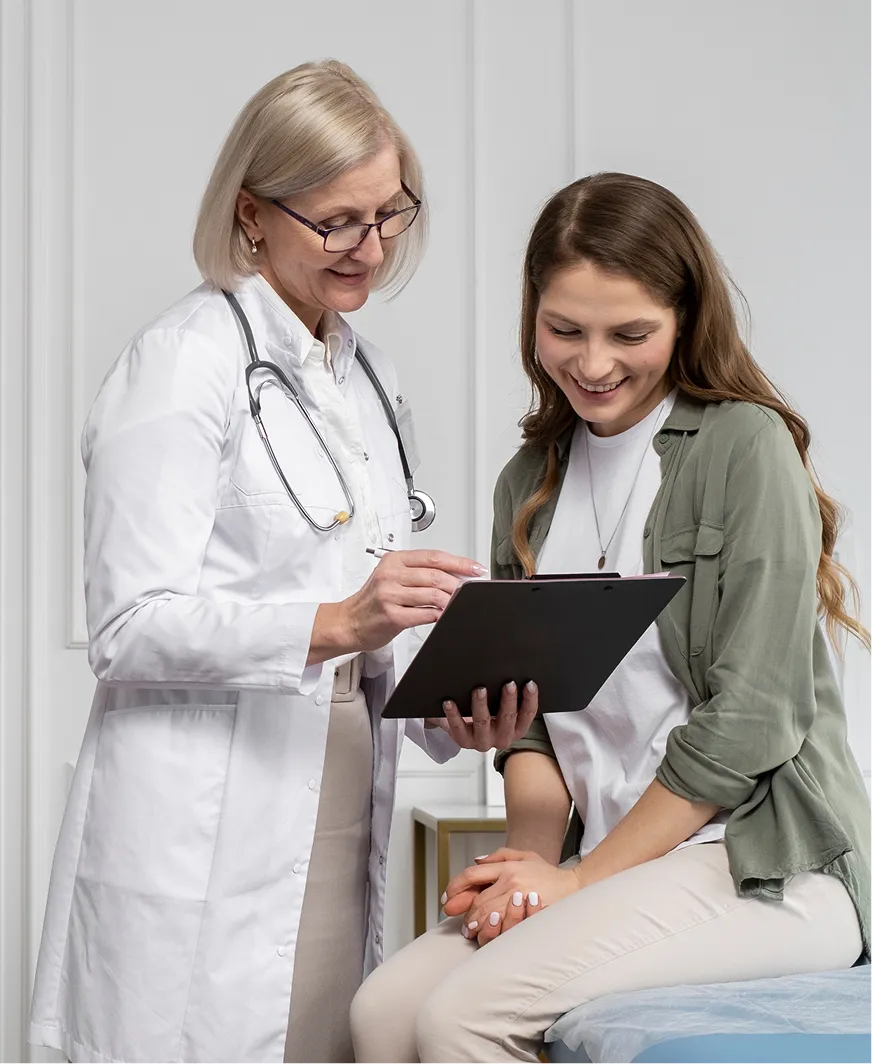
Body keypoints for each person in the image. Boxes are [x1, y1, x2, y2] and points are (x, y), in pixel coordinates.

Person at [28, 60, 537, 1064]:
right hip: (205, 819)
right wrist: (338, 620)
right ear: (253, 213)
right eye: (336, 220)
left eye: (390, 214)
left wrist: (454, 709)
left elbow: (371, 619)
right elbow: (129, 626)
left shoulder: (369, 379)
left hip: (337, 784)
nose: (371, 247)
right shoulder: (182, 360)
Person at [350, 172, 872, 1064]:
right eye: (565, 330)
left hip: (761, 867)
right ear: (533, 319)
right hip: (617, 866)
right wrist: (528, 868)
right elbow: (538, 738)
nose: (593, 364)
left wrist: (577, 880)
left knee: (459, 1018)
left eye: (630, 333)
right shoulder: (531, 479)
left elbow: (752, 722)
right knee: (382, 1014)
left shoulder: (744, 448)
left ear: (685, 319)